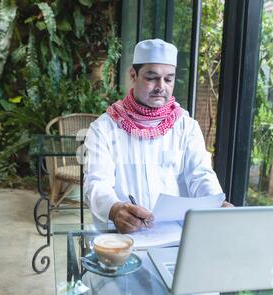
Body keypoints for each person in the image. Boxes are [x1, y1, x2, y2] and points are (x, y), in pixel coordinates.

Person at [84, 39, 232, 234]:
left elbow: (200, 175)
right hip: (121, 239)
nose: (161, 86)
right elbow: (96, 183)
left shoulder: (186, 126)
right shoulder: (104, 128)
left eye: (168, 79)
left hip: (176, 237)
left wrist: (216, 203)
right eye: (151, 77)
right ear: (133, 75)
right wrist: (115, 209)